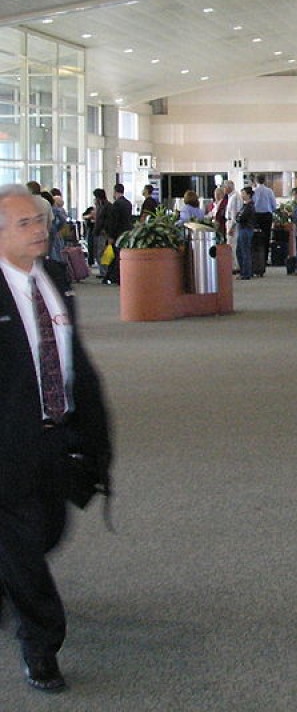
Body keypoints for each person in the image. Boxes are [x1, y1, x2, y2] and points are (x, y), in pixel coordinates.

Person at [0, 185, 113, 693]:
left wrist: (94, 429)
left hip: (57, 433)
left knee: (47, 531)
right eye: (25, 223)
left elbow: (72, 357)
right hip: (7, 444)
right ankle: (41, 643)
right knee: (22, 543)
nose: (40, 230)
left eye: (40, 220)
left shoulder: (53, 277)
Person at [99, 183, 133, 285]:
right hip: (127, 232)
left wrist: (111, 236)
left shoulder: (116, 205)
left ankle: (114, 277)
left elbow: (114, 222)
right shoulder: (128, 203)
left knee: (115, 256)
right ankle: (114, 276)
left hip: (118, 234)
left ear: (115, 192)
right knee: (120, 255)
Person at [251, 174, 277, 272]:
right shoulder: (269, 191)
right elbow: (274, 205)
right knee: (266, 238)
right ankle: (265, 259)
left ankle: (257, 260)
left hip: (256, 216)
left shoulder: (254, 191)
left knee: (257, 239)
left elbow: (252, 204)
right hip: (267, 216)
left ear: (256, 181)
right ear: (264, 180)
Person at [234, 186, 256, 280]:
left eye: (243, 193)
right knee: (240, 251)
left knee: (244, 251)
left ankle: (246, 273)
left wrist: (238, 216)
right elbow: (237, 216)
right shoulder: (245, 205)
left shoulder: (249, 206)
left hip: (246, 230)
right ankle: (245, 271)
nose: (242, 195)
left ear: (248, 195)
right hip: (243, 229)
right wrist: (238, 216)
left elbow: (241, 217)